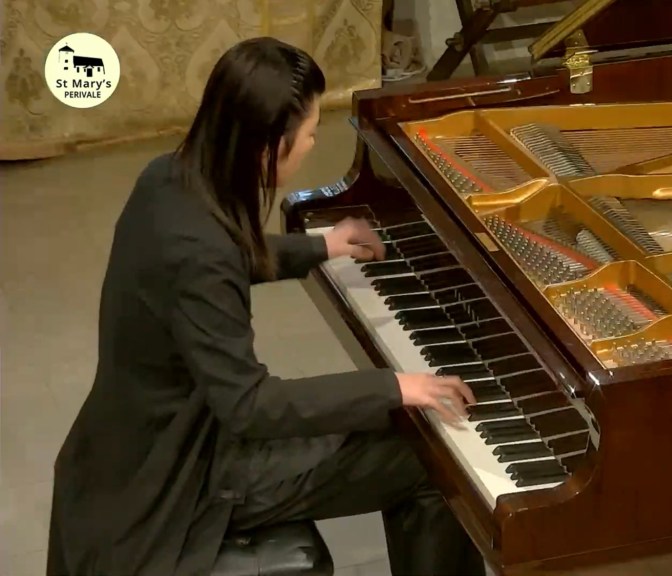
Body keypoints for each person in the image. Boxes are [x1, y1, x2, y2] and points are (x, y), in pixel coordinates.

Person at [46, 37, 484, 576]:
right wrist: (394, 386)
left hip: (140, 442)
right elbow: (252, 405)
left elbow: (218, 256)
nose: (312, 144)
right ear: (267, 148)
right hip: (184, 473)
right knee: (433, 466)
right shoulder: (199, 251)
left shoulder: (166, 178)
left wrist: (320, 246)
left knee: (400, 431)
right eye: (309, 134)